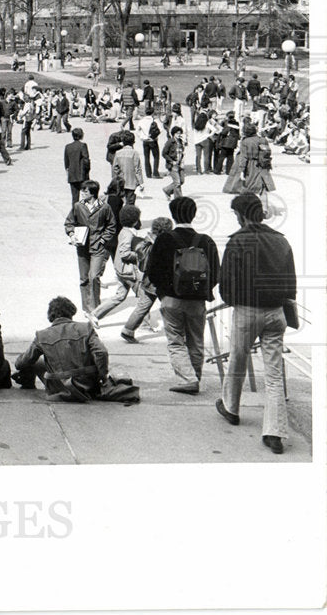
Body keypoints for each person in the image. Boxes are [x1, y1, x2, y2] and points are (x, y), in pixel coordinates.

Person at [216, 193, 297, 454]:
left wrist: (233, 300)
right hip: (276, 312)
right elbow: (290, 283)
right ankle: (274, 433)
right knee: (273, 374)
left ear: (240, 215)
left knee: (238, 360)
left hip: (247, 311)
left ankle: (231, 408)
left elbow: (226, 283)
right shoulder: (281, 241)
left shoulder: (238, 241)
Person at [145, 197, 220, 394]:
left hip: (171, 299)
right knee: (196, 340)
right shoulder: (206, 241)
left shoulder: (164, 239)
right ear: (194, 214)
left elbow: (152, 271)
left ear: (173, 214)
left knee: (176, 341)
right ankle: (195, 376)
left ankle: (188, 379)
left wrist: (164, 292)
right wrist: (202, 290)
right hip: (197, 301)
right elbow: (216, 273)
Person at [13, 296, 110, 401]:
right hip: (88, 384)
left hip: (59, 387)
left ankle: (28, 385)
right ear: (71, 312)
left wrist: (20, 362)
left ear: (51, 315)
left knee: (32, 360)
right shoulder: (86, 328)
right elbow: (101, 352)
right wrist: (102, 376)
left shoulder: (42, 335)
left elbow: (21, 363)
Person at [64, 180, 116, 320]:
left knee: (94, 276)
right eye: (82, 190)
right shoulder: (77, 207)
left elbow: (111, 226)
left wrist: (103, 240)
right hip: (82, 247)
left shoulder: (105, 208)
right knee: (84, 278)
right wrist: (72, 234)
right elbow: (69, 223)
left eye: (85, 191)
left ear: (92, 192)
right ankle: (87, 308)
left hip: (98, 247)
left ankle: (95, 308)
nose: (82, 193)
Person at [91, 205, 142, 324]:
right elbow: (125, 253)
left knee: (120, 296)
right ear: (135, 221)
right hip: (128, 272)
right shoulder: (129, 235)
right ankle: (144, 324)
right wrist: (138, 255)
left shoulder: (124, 231)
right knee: (144, 297)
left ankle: (95, 315)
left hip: (120, 269)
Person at [111, 131, 144, 204]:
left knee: (120, 203)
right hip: (132, 183)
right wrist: (141, 183)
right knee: (130, 203)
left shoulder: (118, 153)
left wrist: (118, 176)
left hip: (121, 182)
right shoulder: (135, 153)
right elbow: (137, 169)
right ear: (133, 142)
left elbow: (115, 168)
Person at [63, 127, 91, 205]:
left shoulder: (68, 146)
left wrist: (68, 172)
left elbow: (66, 162)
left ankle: (75, 214)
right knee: (87, 196)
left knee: (74, 198)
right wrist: (87, 171)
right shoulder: (83, 145)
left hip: (72, 174)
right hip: (82, 174)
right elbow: (86, 160)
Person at [136, 107, 162, 178]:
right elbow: (161, 129)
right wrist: (155, 136)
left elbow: (137, 131)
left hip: (145, 140)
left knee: (146, 157)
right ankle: (155, 172)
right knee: (156, 156)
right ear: (153, 113)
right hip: (153, 140)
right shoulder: (155, 121)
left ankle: (148, 173)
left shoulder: (141, 121)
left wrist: (142, 137)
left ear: (145, 112)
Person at [162, 126, 186, 200]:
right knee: (177, 182)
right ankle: (178, 199)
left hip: (179, 164)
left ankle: (167, 190)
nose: (179, 135)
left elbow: (182, 152)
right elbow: (164, 153)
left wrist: (182, 161)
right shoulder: (170, 142)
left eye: (180, 133)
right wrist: (171, 161)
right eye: (177, 133)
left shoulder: (180, 142)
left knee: (181, 181)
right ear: (173, 134)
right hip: (172, 165)